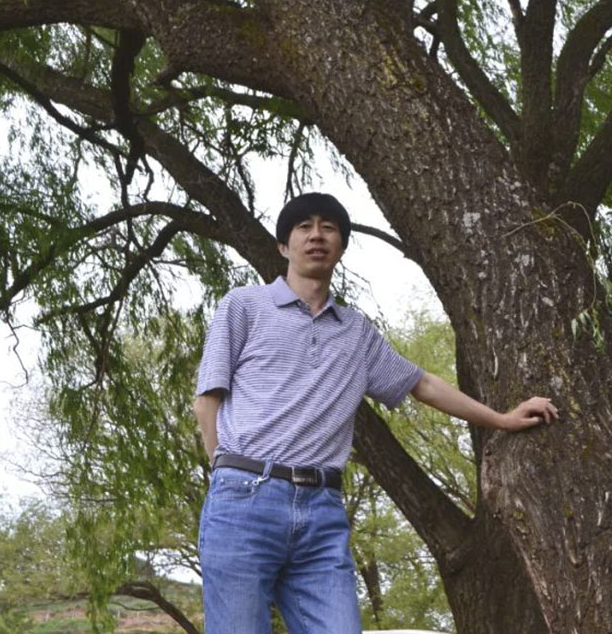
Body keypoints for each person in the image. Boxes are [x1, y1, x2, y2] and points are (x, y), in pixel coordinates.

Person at [193, 192, 557, 633]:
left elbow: (422, 384)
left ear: (341, 248)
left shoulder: (356, 332)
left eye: (329, 228)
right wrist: (226, 473)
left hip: (322, 514)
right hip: (245, 500)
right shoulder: (244, 306)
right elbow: (208, 398)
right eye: (304, 226)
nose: (316, 235)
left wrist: (503, 419)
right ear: (284, 246)